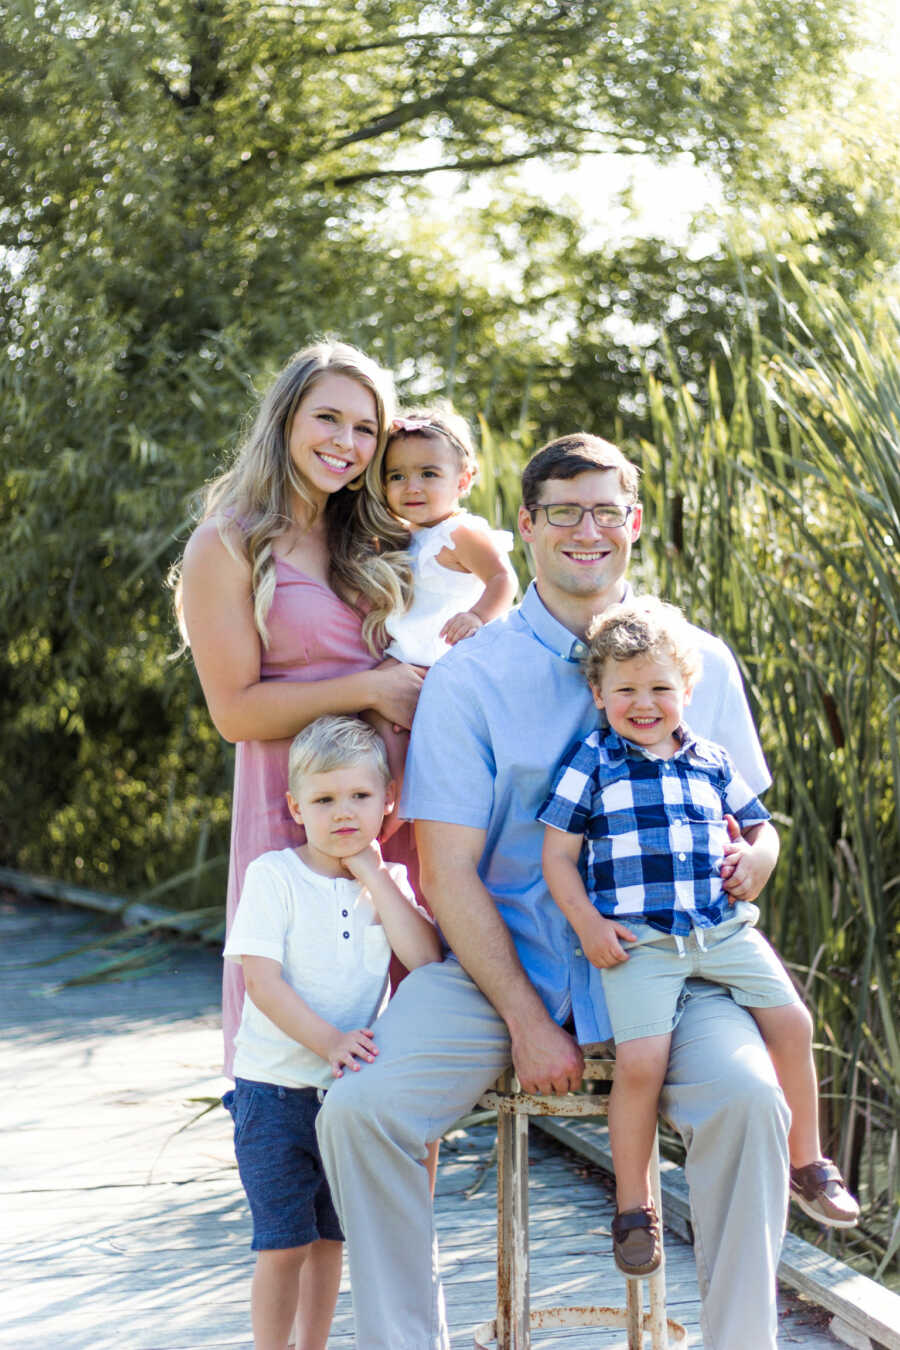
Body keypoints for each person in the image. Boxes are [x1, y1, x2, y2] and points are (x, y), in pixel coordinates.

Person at [318, 433, 793, 1350]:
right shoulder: (470, 678)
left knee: (749, 1102)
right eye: (564, 512)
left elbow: (747, 827)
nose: (588, 530)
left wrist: (755, 864)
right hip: (507, 967)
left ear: (635, 524)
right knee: (361, 1112)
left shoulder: (703, 661)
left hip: (676, 969)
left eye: (607, 510)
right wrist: (529, 1020)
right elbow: (448, 871)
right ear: (526, 526)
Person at [539, 597, 859, 1277]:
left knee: (794, 1023)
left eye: (660, 688)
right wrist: (588, 925)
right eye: (625, 690)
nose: (644, 703)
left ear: (687, 689)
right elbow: (556, 858)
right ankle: (634, 1210)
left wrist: (759, 860)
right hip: (643, 945)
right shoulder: (592, 762)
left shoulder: (710, 759)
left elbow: (761, 826)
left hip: (721, 930)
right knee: (642, 1065)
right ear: (598, 693)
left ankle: (808, 1162)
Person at [179, 339, 424, 1075]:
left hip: (400, 810)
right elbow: (235, 714)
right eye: (328, 418)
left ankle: (398, 1198)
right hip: (299, 812)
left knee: (406, 1059)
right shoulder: (225, 545)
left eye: (365, 430)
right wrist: (370, 688)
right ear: (286, 420)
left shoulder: (380, 540)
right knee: (297, 1052)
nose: (345, 444)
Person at [223, 715, 440, 1350]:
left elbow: (425, 959)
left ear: (388, 803)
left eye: (359, 797)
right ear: (296, 807)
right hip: (275, 1093)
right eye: (323, 800)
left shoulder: (390, 885)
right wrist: (326, 1041)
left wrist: (373, 875)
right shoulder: (274, 877)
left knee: (329, 1240)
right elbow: (262, 983)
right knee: (283, 1243)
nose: (342, 813)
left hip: (346, 1100)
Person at [381, 405, 518, 666]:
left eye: (428, 474)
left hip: (447, 653)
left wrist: (477, 616)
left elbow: (502, 577)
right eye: (397, 476)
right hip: (408, 652)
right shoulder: (406, 533)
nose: (412, 487)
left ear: (463, 481)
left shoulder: (458, 532)